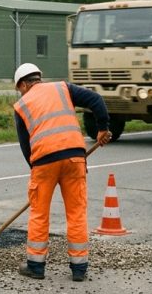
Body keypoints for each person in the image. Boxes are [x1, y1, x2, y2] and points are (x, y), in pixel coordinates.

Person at [12, 62, 111, 281]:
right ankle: (79, 269)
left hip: (43, 162)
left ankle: (36, 267)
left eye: (19, 88)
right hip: (75, 157)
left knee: (39, 213)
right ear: (38, 78)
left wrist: (36, 175)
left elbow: (25, 146)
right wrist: (102, 128)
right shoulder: (62, 88)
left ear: (23, 85)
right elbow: (96, 100)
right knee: (76, 213)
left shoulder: (21, 105)